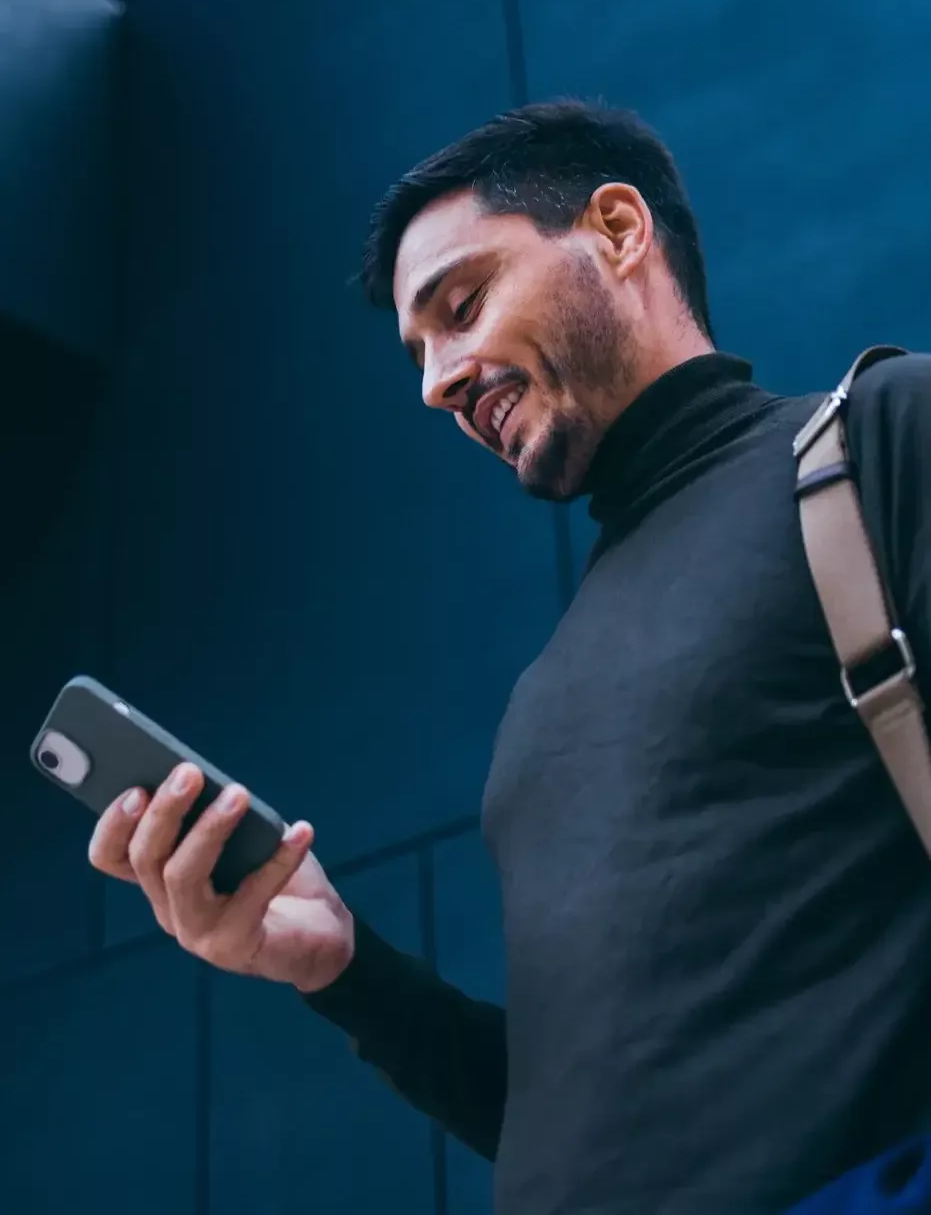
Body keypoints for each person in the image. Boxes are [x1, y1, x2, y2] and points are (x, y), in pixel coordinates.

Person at [88, 100, 931, 1215]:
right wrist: (341, 970)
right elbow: (568, 1122)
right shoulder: (544, 692)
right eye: (418, 347)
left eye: (462, 303)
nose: (436, 379)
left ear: (619, 230)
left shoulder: (880, 437)